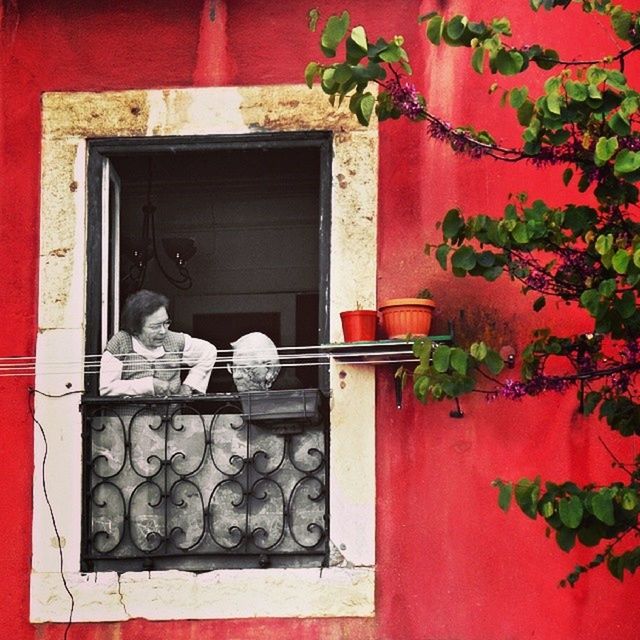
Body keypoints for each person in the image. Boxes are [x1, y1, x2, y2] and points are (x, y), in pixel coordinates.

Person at [99, 289, 217, 396]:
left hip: (169, 419)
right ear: (136, 327)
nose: (163, 331)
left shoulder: (174, 340)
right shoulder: (120, 342)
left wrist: (189, 385)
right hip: (127, 419)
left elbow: (208, 351)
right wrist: (149, 386)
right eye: (155, 326)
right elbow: (106, 388)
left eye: (166, 323)